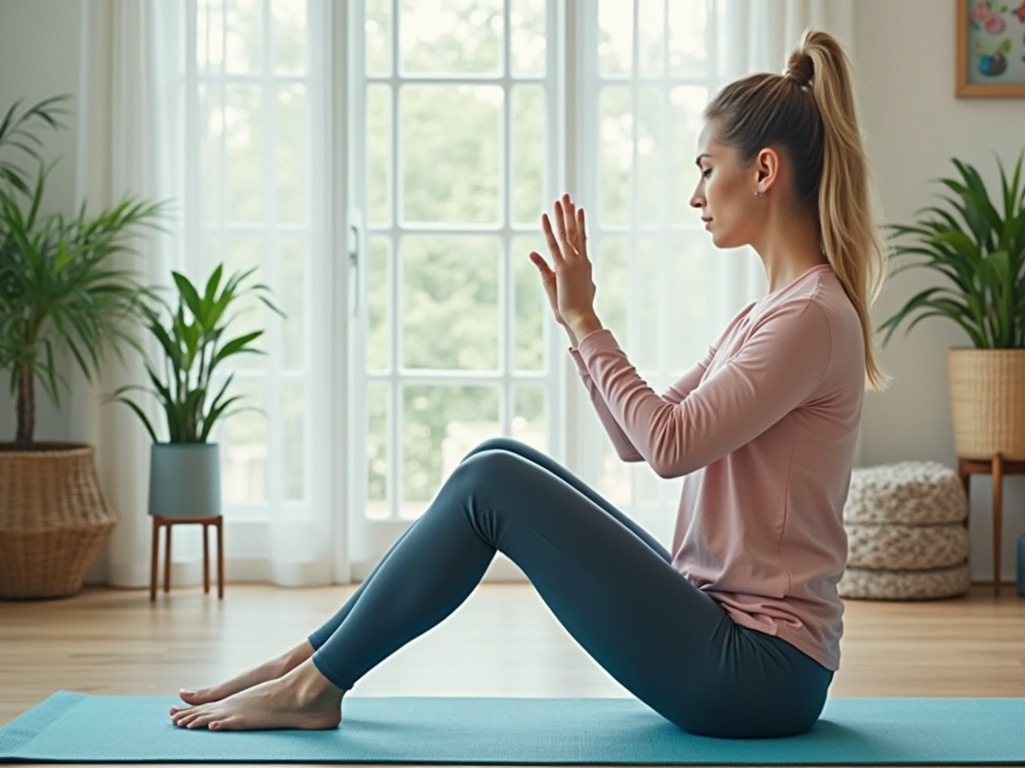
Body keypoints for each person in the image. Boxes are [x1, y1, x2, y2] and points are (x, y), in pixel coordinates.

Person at [168, 29, 884, 738]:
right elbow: (636, 441)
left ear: (763, 171)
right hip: (728, 640)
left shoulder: (808, 318)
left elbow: (670, 447)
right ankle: (307, 662)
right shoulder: (769, 313)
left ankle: (313, 687)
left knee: (492, 486)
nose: (695, 195)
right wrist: (578, 326)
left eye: (706, 168)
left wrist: (587, 320)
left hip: (758, 672)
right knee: (495, 459)